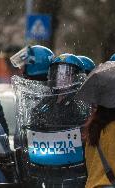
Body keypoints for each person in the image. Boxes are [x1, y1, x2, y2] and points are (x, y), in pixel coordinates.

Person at [23, 53, 90, 187]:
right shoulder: (46, 102)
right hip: (44, 168)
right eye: (58, 73)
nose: (62, 78)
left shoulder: (82, 103)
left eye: (67, 74)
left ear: (77, 77)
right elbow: (34, 124)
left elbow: (84, 132)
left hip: (73, 170)